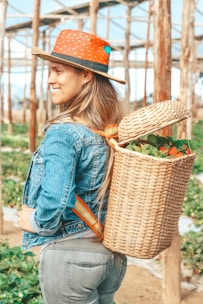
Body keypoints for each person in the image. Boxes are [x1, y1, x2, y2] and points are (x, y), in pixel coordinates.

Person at [18, 29, 127, 304]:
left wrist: (30, 221)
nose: (50, 79)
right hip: (110, 256)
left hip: (71, 257)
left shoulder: (64, 133)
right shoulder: (110, 133)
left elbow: (54, 202)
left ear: (86, 75)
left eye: (58, 71)